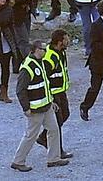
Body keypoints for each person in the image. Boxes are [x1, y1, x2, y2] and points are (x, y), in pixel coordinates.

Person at [11, 40, 69, 172]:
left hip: (46, 106)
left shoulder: (41, 62)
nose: (46, 51)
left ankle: (53, 158)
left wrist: (51, 101)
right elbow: (20, 90)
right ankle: (18, 161)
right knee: (31, 135)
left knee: (54, 129)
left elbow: (45, 84)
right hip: (35, 109)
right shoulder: (28, 67)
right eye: (43, 49)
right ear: (36, 50)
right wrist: (26, 108)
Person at [36, 29, 73, 159]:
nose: (68, 41)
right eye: (66, 39)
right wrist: (49, 97)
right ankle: (58, 151)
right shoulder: (50, 56)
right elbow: (44, 77)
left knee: (65, 115)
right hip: (54, 93)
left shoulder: (60, 53)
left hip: (61, 91)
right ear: (59, 41)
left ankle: (43, 137)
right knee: (57, 122)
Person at [1, 0, 40, 71]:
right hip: (15, 15)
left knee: (24, 38)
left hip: (27, 12)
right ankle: (31, 65)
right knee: (22, 41)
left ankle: (17, 65)